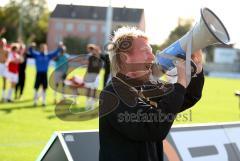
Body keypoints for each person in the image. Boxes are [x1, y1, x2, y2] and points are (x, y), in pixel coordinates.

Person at [99, 27, 204, 161]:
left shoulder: (149, 86)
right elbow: (154, 128)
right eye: (145, 52)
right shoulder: (113, 94)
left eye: (151, 51)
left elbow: (188, 97)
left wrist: (198, 66)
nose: (152, 57)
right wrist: (181, 82)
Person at [84, 44, 103, 110]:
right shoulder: (90, 58)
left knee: (94, 90)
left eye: (96, 51)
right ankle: (87, 104)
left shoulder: (100, 59)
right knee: (88, 90)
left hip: (96, 76)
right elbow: (88, 67)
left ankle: (92, 105)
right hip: (89, 75)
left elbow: (99, 69)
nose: (95, 52)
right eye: (94, 50)